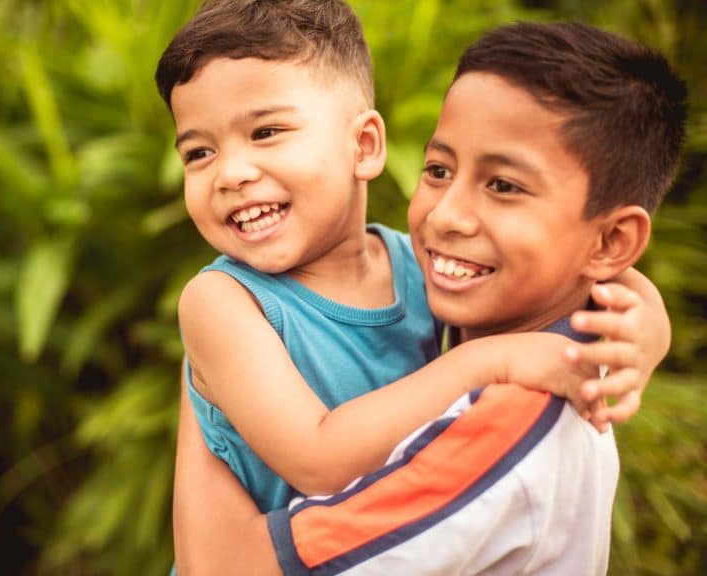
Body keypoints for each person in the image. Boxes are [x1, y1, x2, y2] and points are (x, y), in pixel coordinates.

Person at [171, 19, 688, 575]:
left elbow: (607, 277)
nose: (230, 174)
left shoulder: (407, 269)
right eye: (198, 152)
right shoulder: (221, 300)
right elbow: (318, 459)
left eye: (266, 132)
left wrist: (648, 329)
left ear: (365, 146)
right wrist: (491, 360)